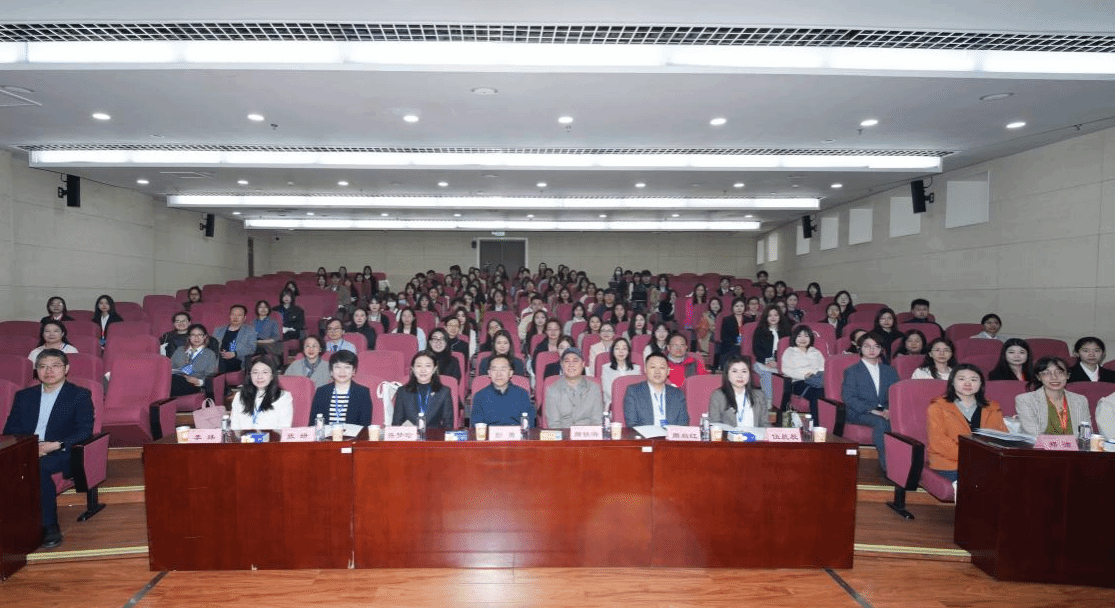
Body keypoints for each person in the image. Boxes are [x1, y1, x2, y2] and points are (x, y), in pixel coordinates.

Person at [3, 349, 94, 548]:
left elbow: (84, 431)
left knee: (37, 467)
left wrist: (54, 445)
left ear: (66, 369)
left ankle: (49, 525)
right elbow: (10, 429)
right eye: (42, 366)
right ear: (36, 371)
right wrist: (29, 447)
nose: (48, 371)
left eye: (54, 366)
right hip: (27, 447)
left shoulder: (79, 395)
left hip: (61, 450)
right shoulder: (24, 396)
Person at [926, 365, 1009, 483]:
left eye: (973, 379)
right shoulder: (937, 407)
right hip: (950, 463)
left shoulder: (992, 408)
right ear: (952, 382)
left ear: (981, 384)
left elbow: (1002, 437)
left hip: (986, 462)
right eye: (961, 379)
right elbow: (938, 442)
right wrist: (973, 457)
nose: (967, 383)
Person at [841, 332, 900, 472]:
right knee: (881, 422)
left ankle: (905, 463)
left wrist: (889, 409)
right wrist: (873, 410)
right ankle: (889, 467)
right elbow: (849, 398)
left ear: (881, 349)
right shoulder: (852, 371)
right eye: (867, 346)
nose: (872, 350)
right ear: (860, 348)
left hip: (884, 410)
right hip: (858, 411)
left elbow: (896, 395)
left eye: (876, 346)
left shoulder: (890, 371)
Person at [1016, 356, 1090, 437]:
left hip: (1075, 445)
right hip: (1040, 445)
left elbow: (1086, 433)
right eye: (1047, 373)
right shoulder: (1025, 400)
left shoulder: (1080, 400)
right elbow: (1033, 434)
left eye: (1059, 372)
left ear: (1068, 375)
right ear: (1039, 377)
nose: (1054, 377)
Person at [308, 350, 373, 426]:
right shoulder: (321, 392)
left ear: (353, 371)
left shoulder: (362, 393)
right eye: (337, 367)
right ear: (331, 371)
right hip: (325, 433)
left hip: (353, 434)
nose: (342, 372)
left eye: (347, 367)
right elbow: (313, 424)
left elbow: (365, 425)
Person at [544, 347, 604, 428]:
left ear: (583, 364)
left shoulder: (594, 388)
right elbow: (554, 424)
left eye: (575, 361)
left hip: (588, 434)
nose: (571, 365)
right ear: (562, 365)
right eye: (567, 361)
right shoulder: (553, 389)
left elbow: (597, 422)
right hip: (563, 433)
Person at [623, 352, 688, 427]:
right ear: (645, 370)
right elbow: (632, 424)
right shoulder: (633, 392)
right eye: (653, 367)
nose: (657, 372)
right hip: (644, 434)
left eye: (662, 367)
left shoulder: (678, 394)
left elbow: (683, 423)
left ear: (668, 371)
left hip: (671, 434)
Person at [393, 352, 454, 428]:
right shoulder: (402, 391)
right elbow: (396, 423)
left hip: (434, 434)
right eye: (419, 366)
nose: (423, 370)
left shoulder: (444, 392)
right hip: (409, 435)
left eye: (428, 366)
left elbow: (448, 425)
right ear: (413, 369)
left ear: (434, 369)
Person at [229, 357, 293, 430]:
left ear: (272, 376)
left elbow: (284, 428)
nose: (259, 376)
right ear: (250, 376)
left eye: (265, 372)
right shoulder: (239, 396)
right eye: (255, 372)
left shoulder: (283, 397)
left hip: (272, 437)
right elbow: (234, 426)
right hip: (244, 437)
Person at [471, 354, 534, 427]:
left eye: (503, 370)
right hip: (489, 433)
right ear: (489, 373)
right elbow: (477, 425)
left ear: (510, 373)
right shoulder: (480, 396)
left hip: (516, 433)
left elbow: (529, 424)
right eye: (494, 370)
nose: (499, 374)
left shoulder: (522, 394)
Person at [708, 354, 769, 428]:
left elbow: (765, 423)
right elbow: (715, 424)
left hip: (755, 435)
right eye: (735, 371)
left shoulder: (759, 395)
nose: (740, 376)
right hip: (728, 435)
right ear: (727, 374)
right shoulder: (718, 396)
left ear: (749, 374)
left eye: (744, 371)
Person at [780, 325, 826, 420]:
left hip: (816, 380)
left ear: (811, 338)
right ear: (794, 338)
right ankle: (815, 425)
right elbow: (786, 370)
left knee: (824, 392)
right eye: (799, 336)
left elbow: (823, 368)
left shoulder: (816, 352)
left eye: (806, 336)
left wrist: (815, 375)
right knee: (816, 394)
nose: (803, 339)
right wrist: (804, 376)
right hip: (799, 382)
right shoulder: (789, 351)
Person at [751, 304, 790, 400]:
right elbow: (756, 350)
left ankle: (783, 404)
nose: (773, 318)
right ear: (766, 317)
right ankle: (768, 403)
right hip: (762, 362)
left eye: (776, 315)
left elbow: (789, 350)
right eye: (770, 315)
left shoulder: (786, 331)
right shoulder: (760, 331)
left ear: (780, 316)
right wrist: (768, 361)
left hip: (781, 363)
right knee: (767, 375)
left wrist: (778, 362)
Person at [169, 323, 217, 397]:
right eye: (193, 335)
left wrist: (198, 381)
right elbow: (170, 367)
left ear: (205, 337)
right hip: (176, 380)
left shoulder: (210, 354)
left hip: (194, 385)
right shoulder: (180, 350)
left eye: (200, 335)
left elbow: (210, 376)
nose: (196, 338)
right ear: (189, 337)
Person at [213, 304, 258, 374]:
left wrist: (234, 354)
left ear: (244, 318)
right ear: (229, 316)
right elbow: (212, 345)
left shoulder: (250, 331)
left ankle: (217, 376)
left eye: (239, 315)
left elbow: (251, 348)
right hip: (219, 359)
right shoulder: (219, 330)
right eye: (233, 314)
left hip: (237, 360)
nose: (235, 317)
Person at [601, 338, 641, 410]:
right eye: (617, 349)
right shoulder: (606, 368)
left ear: (628, 351)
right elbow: (607, 390)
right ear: (612, 351)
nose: (621, 352)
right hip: (613, 404)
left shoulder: (636, 368)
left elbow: (638, 390)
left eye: (624, 349)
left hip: (633, 404)